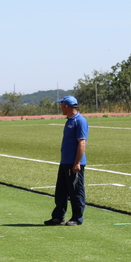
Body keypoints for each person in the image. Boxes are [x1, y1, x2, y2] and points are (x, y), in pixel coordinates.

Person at [44, 96, 88, 226]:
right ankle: (58, 216)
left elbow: (82, 142)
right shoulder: (69, 121)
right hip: (65, 162)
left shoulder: (79, 121)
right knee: (61, 191)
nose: (61, 108)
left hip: (74, 163)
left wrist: (77, 162)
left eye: (62, 105)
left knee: (76, 191)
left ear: (67, 106)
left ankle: (77, 217)